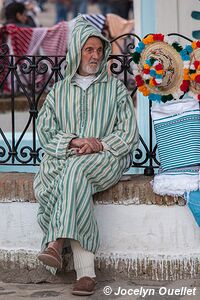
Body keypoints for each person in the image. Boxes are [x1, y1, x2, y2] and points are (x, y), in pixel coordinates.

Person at [33, 15, 139, 296]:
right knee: (73, 176)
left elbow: (128, 133)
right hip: (66, 159)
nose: (94, 55)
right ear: (76, 51)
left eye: (99, 50)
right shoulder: (59, 91)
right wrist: (75, 141)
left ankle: (56, 242)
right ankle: (86, 274)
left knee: (76, 172)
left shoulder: (115, 88)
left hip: (106, 159)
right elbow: (45, 132)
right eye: (88, 49)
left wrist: (98, 145)